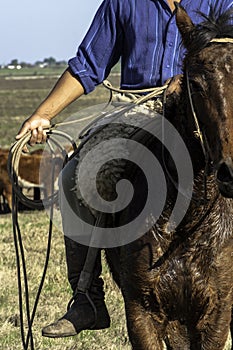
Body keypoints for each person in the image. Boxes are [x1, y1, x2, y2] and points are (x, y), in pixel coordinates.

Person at [16, 0, 233, 339]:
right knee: (77, 175)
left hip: (208, 105)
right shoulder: (123, 2)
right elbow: (89, 64)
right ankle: (86, 297)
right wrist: (43, 113)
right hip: (138, 108)